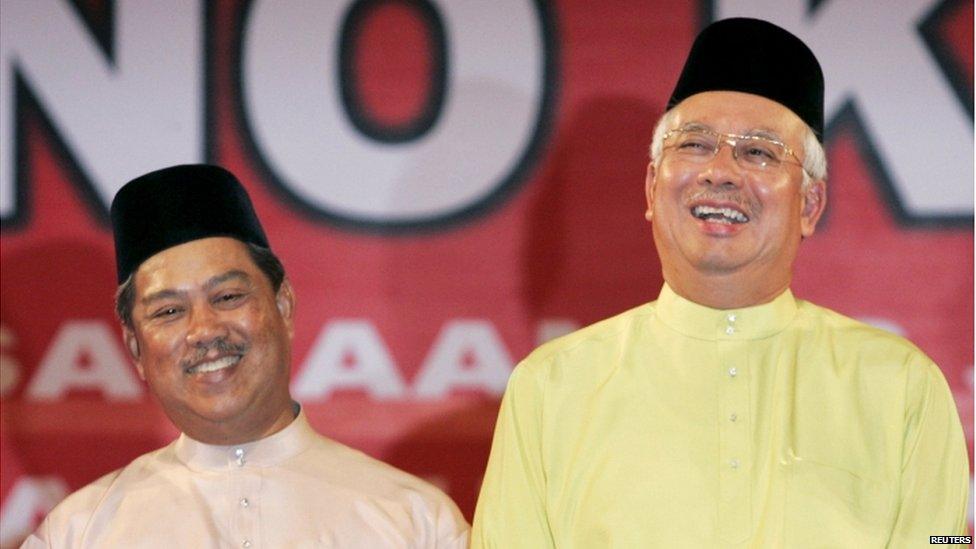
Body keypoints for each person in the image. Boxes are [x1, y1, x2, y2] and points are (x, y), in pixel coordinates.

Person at [471, 17, 969, 548]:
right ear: (650, 185)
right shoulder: (552, 388)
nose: (722, 171)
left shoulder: (900, 387)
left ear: (810, 204)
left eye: (758, 152)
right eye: (695, 145)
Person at [24, 165, 470, 548]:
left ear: (284, 306)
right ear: (137, 349)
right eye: (169, 311)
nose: (205, 331)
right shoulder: (80, 533)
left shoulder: (415, 522)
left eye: (229, 296)